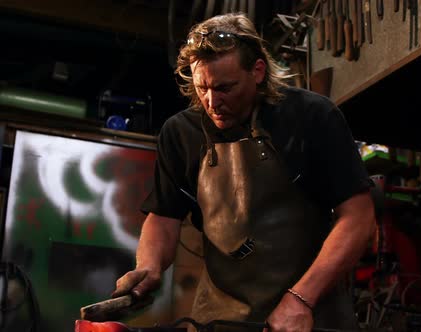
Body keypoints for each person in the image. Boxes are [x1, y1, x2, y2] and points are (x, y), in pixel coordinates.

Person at [111, 12, 376, 331]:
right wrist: (149, 266)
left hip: (310, 314)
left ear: (258, 71)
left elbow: (358, 218)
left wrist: (301, 299)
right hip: (220, 320)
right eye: (202, 87)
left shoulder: (312, 117)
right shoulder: (181, 133)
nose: (212, 101)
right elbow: (164, 216)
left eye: (225, 88)